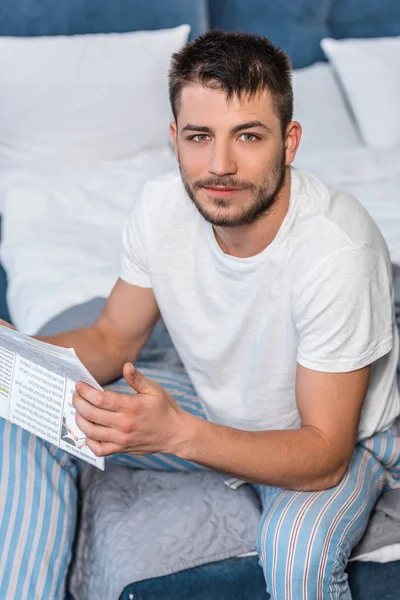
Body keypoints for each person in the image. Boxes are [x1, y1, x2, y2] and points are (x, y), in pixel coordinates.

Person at [1, 30, 400, 600]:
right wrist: (22, 356)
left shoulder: (337, 251)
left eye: (248, 136)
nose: (220, 165)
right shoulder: (160, 207)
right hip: (212, 397)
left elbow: (323, 457)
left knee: (294, 551)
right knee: (22, 413)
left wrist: (181, 435)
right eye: (199, 136)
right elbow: (112, 337)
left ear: (289, 142)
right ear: (175, 140)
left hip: (324, 439)